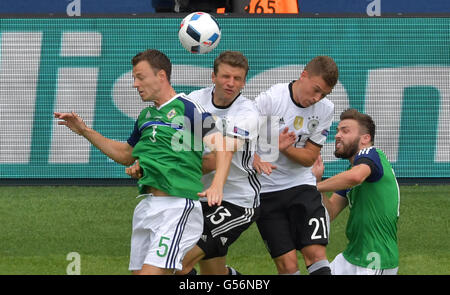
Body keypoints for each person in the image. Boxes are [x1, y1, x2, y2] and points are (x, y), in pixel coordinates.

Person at [54, 49, 238, 275]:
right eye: (134, 78)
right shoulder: (146, 117)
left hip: (176, 206)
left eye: (140, 77)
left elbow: (223, 146)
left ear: (161, 76)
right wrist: (84, 131)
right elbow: (125, 154)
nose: (135, 84)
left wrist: (217, 185)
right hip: (146, 206)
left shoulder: (187, 108)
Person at [127, 51, 294, 275]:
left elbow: (219, 154)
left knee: (179, 262)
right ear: (213, 77)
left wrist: (165, 168)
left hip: (236, 201)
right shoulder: (194, 101)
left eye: (237, 79)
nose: (231, 83)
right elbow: (176, 147)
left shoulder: (248, 113)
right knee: (213, 274)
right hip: (199, 196)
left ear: (244, 82)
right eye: (225, 76)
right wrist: (147, 164)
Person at [252, 56, 339, 275]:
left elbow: (310, 157)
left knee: (316, 255)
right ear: (304, 76)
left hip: (302, 186)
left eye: (324, 94)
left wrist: (284, 148)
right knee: (288, 265)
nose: (317, 98)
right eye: (316, 89)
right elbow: (244, 140)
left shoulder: (326, 109)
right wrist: (271, 147)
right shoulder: (271, 100)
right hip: (266, 190)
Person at [313, 108, 400, 275]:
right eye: (338, 130)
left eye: (345, 131)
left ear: (365, 138)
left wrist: (313, 186)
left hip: (376, 256)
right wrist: (318, 182)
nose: (338, 135)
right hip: (352, 256)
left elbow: (356, 177)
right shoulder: (352, 170)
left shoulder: (372, 154)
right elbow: (330, 212)